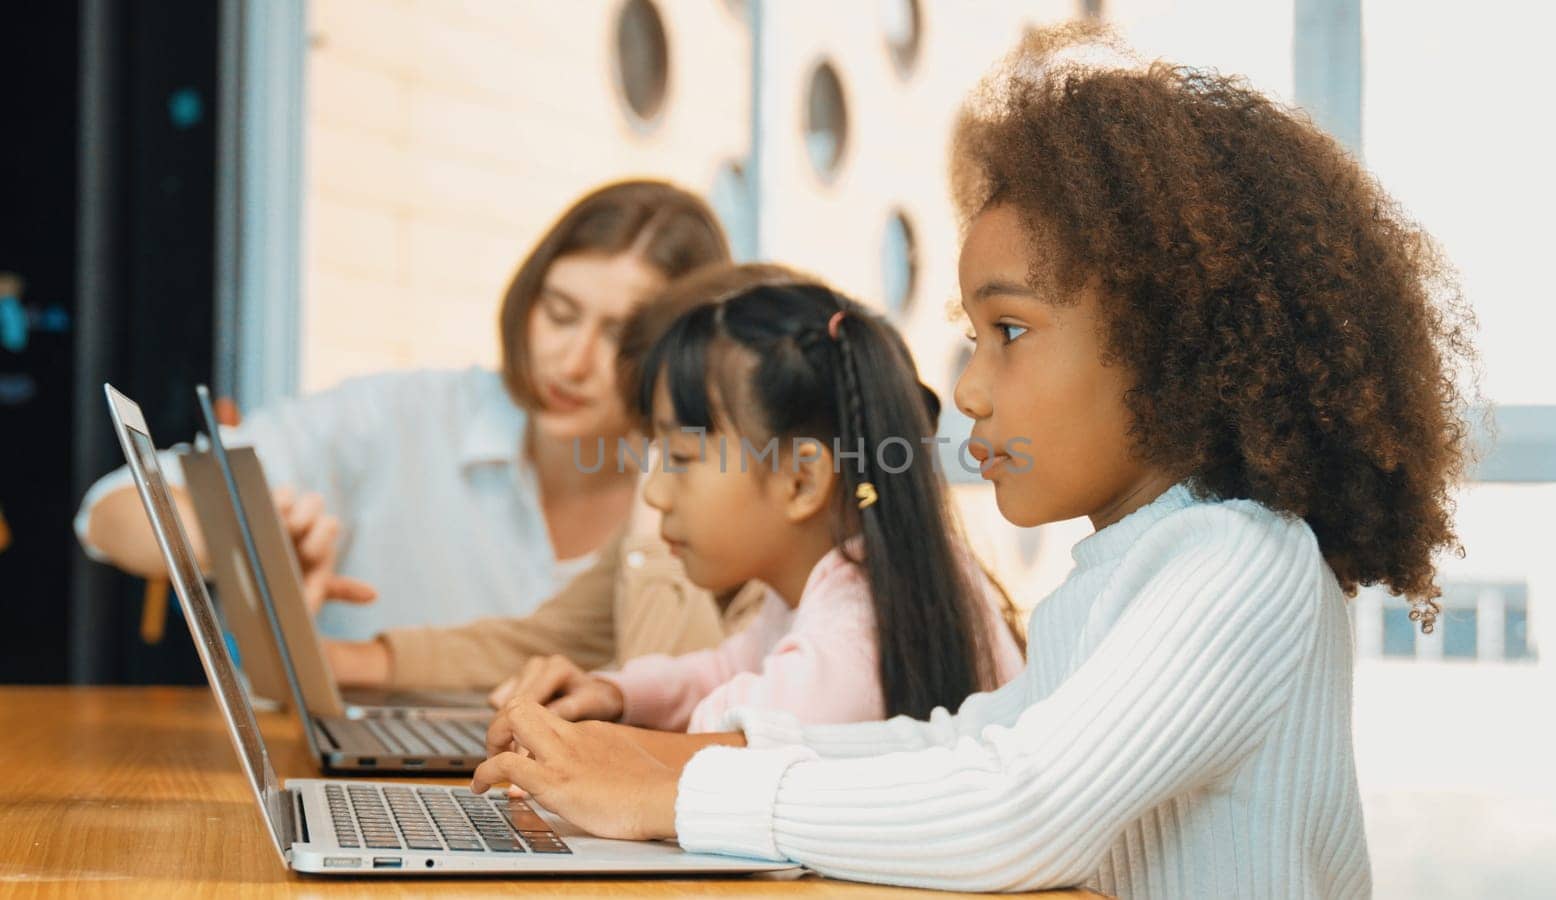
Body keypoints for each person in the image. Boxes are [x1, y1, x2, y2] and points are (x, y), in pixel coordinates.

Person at [466, 26, 1478, 897]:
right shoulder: (1129, 567)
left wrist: (672, 790)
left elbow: (1018, 802)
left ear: (1164, 339)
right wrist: (647, 760)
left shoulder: (1239, 560)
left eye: (1009, 330)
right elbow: (957, 745)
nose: (972, 388)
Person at [75, 180, 731, 640]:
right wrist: (241, 542)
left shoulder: (712, 490)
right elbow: (109, 512)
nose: (574, 358)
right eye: (559, 314)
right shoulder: (396, 418)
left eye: (619, 335)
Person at [492, 279, 1025, 730]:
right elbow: (725, 670)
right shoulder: (851, 577)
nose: (654, 494)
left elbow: (720, 751)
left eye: (679, 455)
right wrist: (615, 694)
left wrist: (581, 751)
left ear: (800, 481)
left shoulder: (851, 644)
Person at [325, 263, 808, 690]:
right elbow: (551, 639)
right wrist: (352, 662)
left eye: (679, 453)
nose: (655, 484)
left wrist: (653, 524)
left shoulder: (814, 603)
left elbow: (679, 740)